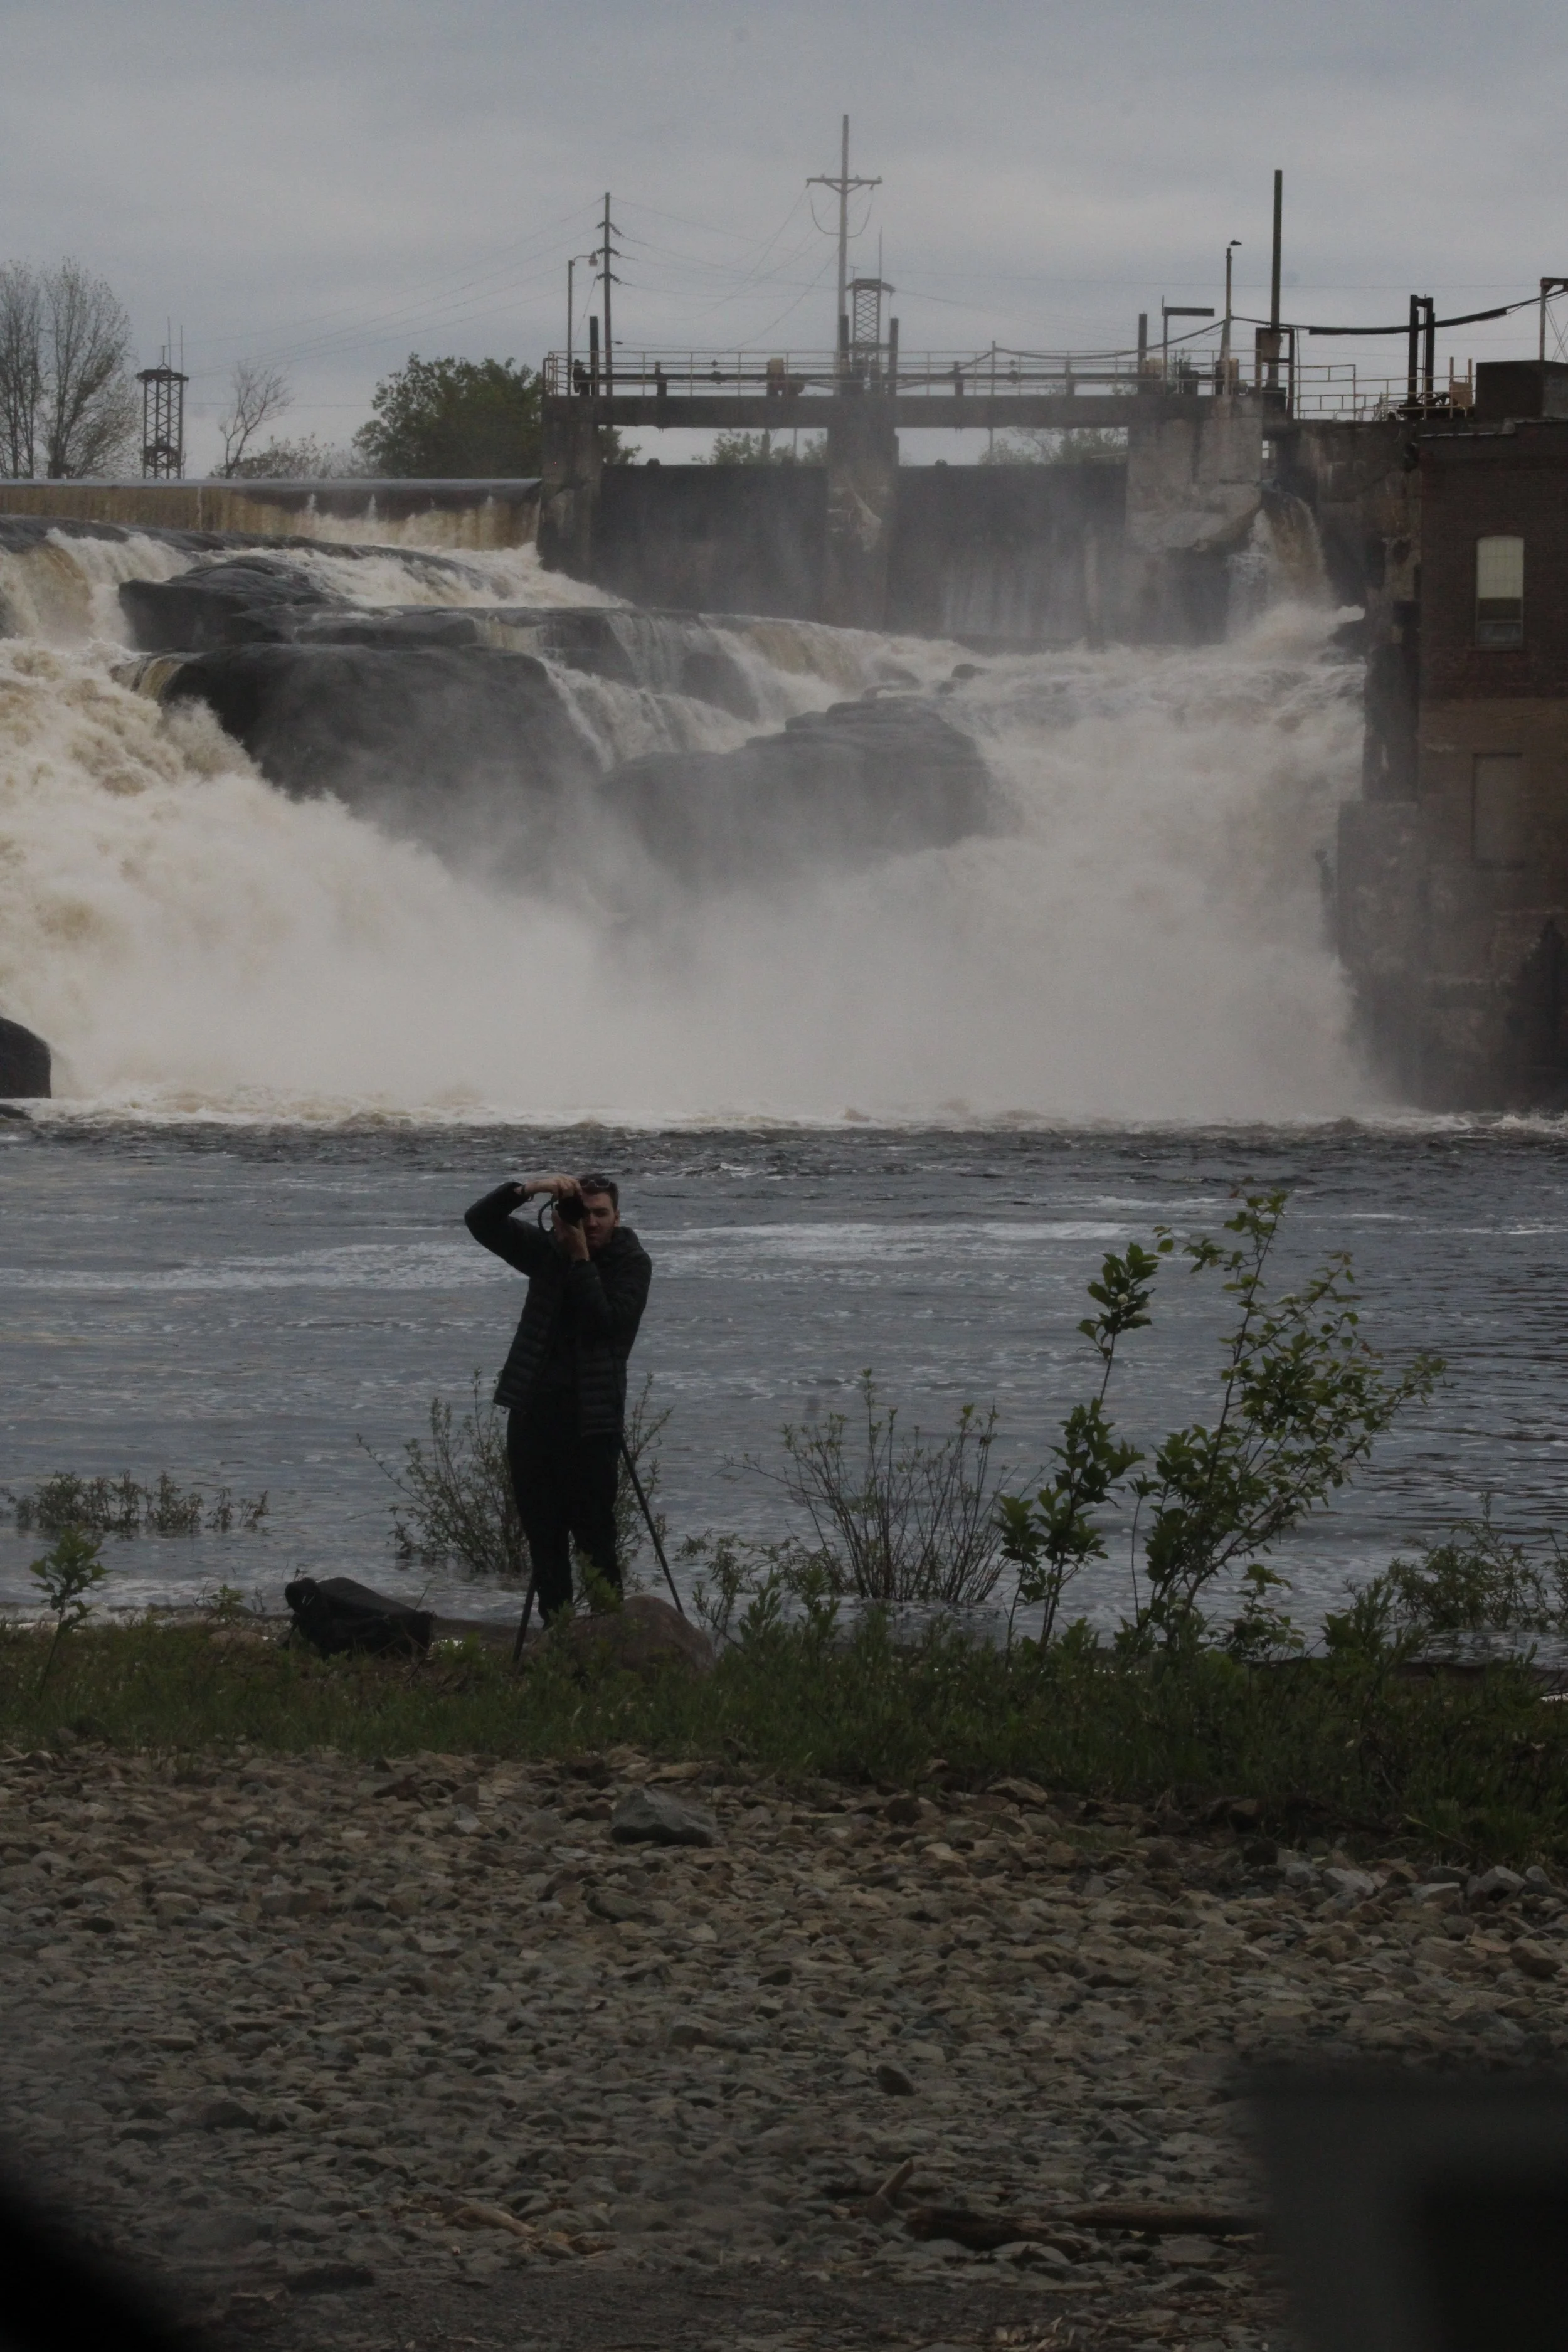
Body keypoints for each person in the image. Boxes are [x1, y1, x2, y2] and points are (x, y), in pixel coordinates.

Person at [464, 1171, 652, 1623]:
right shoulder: (548, 1251)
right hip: (533, 1415)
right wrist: (529, 1189)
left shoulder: (632, 1262)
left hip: (592, 1424)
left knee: (595, 1541)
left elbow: (605, 1323)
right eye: (582, 1213)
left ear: (617, 1216)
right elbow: (479, 1221)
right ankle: (559, 1642)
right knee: (544, 1541)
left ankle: (609, 1643)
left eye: (601, 1214)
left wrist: (582, 1260)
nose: (591, 1223)